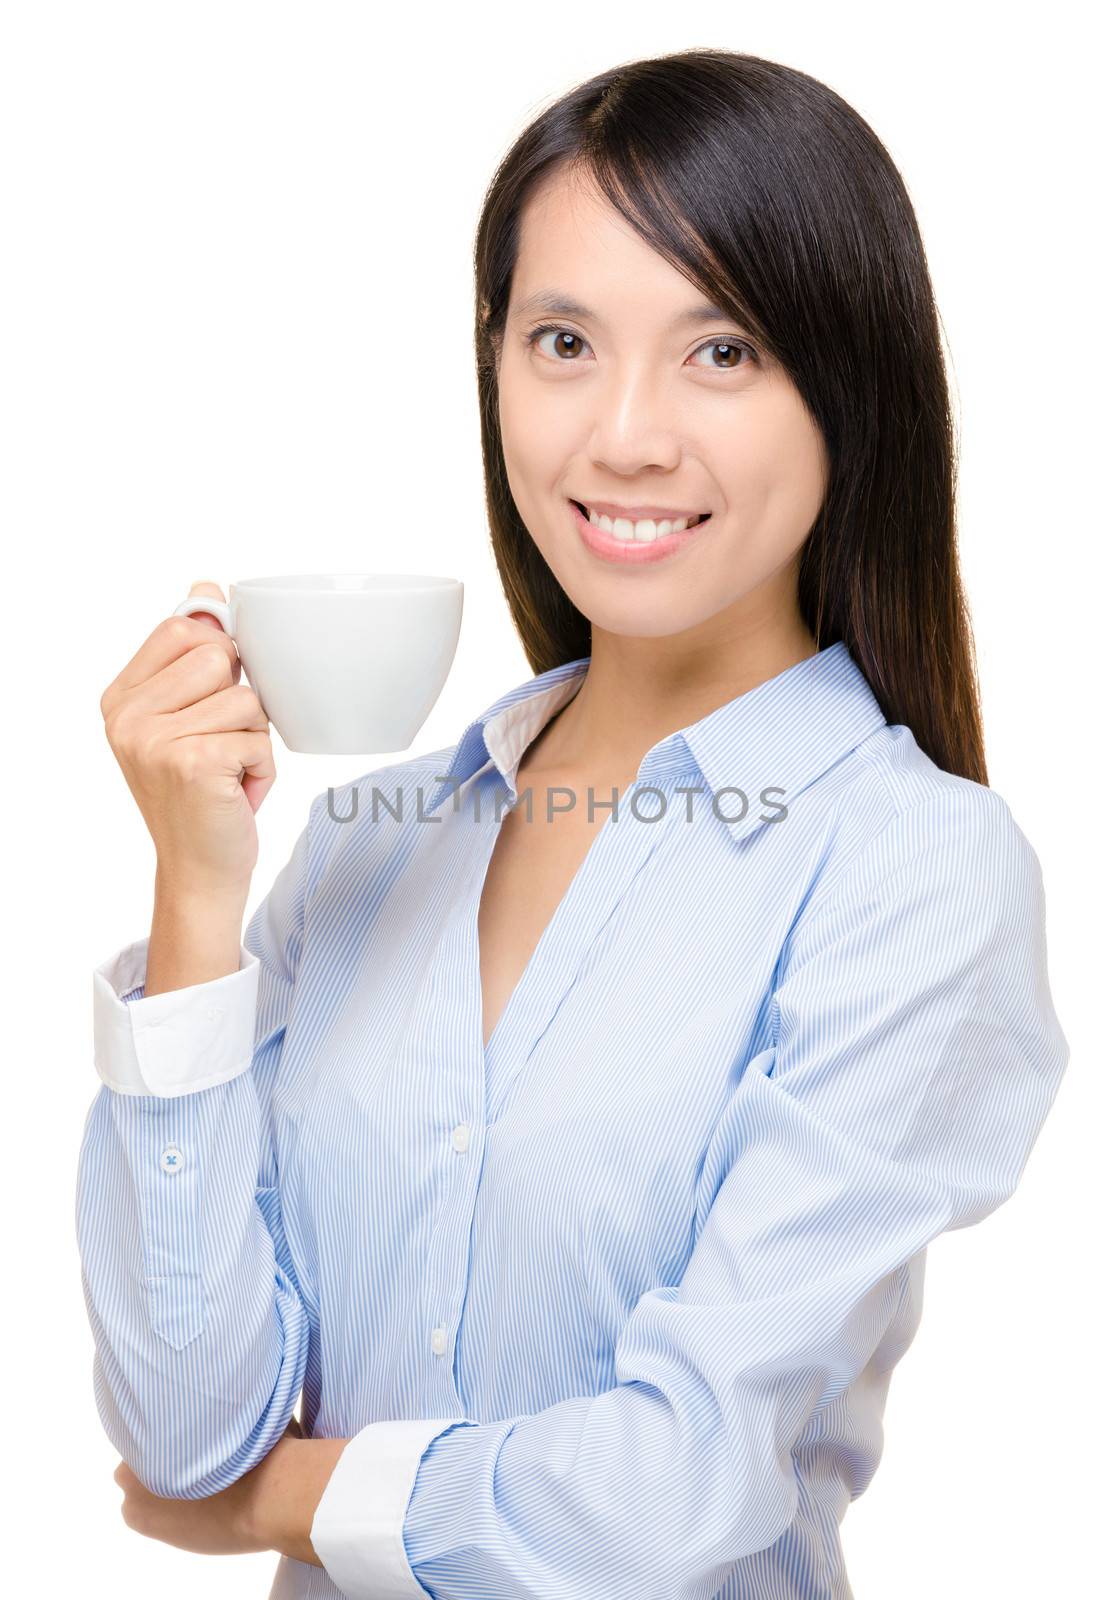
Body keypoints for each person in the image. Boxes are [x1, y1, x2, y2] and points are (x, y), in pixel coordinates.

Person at [77, 47, 1070, 1600]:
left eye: (722, 350)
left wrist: (286, 1504)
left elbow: (674, 1491)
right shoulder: (371, 845)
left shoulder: (908, 868)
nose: (626, 435)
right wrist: (199, 892)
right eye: (562, 342)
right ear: (495, 369)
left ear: (849, 383)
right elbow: (186, 1428)